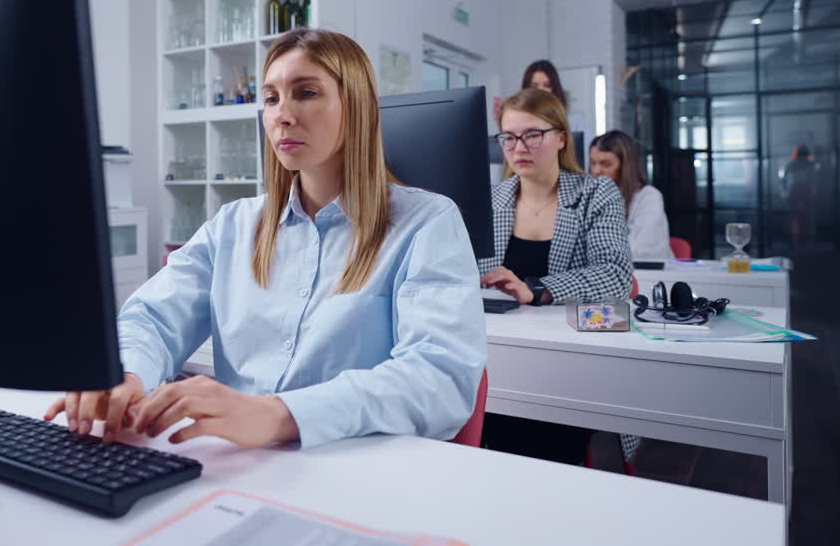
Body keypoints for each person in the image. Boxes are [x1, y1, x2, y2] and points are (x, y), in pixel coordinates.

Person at [44, 28, 486, 450]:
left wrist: (280, 414)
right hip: (240, 465)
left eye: (306, 93)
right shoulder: (233, 225)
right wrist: (126, 373)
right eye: (271, 98)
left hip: (357, 469)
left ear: (356, 108)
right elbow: (150, 319)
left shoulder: (426, 223)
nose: (281, 115)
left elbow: (439, 379)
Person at [478, 88, 632, 463]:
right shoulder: (491, 200)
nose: (519, 147)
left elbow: (616, 275)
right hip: (502, 356)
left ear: (561, 138)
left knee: (545, 444)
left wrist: (536, 289)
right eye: (509, 137)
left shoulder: (596, 193)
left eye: (533, 135)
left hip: (572, 359)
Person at [589, 130, 673, 262]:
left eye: (606, 164)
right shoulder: (592, 198)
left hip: (645, 276)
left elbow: (637, 250)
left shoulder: (649, 197)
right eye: (593, 163)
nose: (596, 171)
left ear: (625, 166)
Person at [780, 144, 816, 248]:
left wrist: (785, 189)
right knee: (806, 214)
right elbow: (815, 178)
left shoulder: (792, 163)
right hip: (806, 188)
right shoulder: (810, 164)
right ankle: (804, 239)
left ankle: (795, 239)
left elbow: (783, 178)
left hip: (795, 188)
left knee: (794, 215)